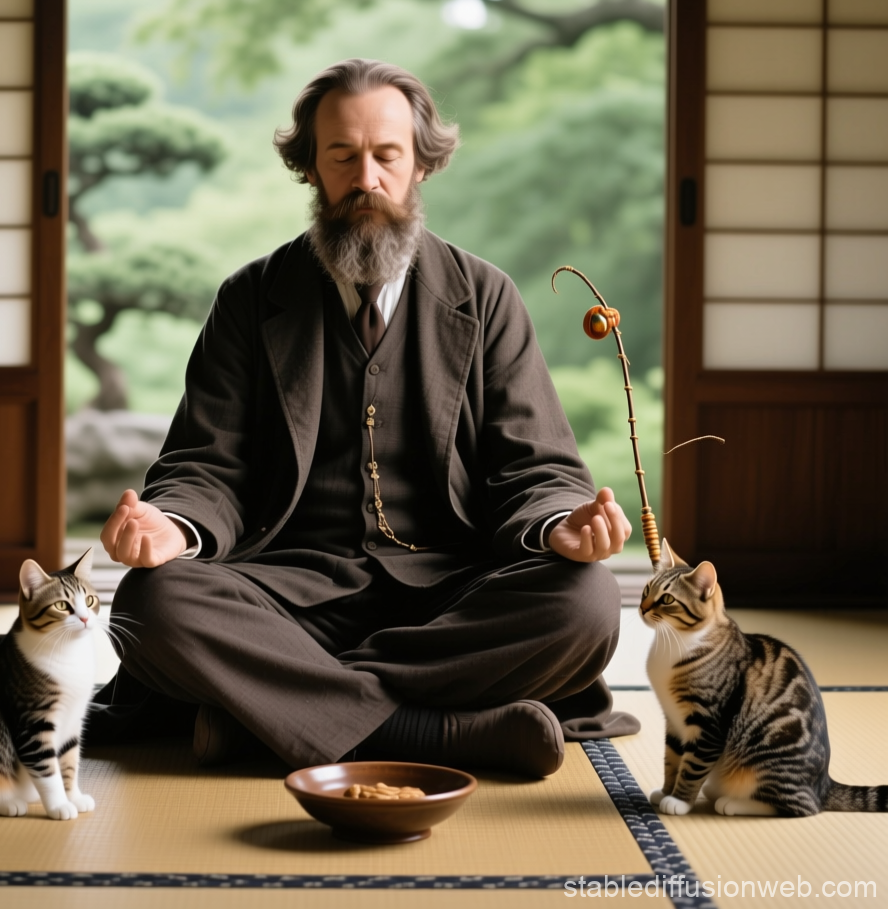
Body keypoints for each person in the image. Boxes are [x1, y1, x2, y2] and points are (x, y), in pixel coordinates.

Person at [88, 59, 639, 778]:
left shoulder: (485, 297)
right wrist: (175, 524)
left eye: (387, 155)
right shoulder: (251, 298)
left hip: (450, 593)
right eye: (343, 156)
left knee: (586, 602)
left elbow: (535, 463)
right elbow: (207, 464)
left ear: (421, 166)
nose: (366, 179)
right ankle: (431, 733)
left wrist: (560, 522)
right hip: (287, 593)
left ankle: (273, 715)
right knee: (156, 600)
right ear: (311, 168)